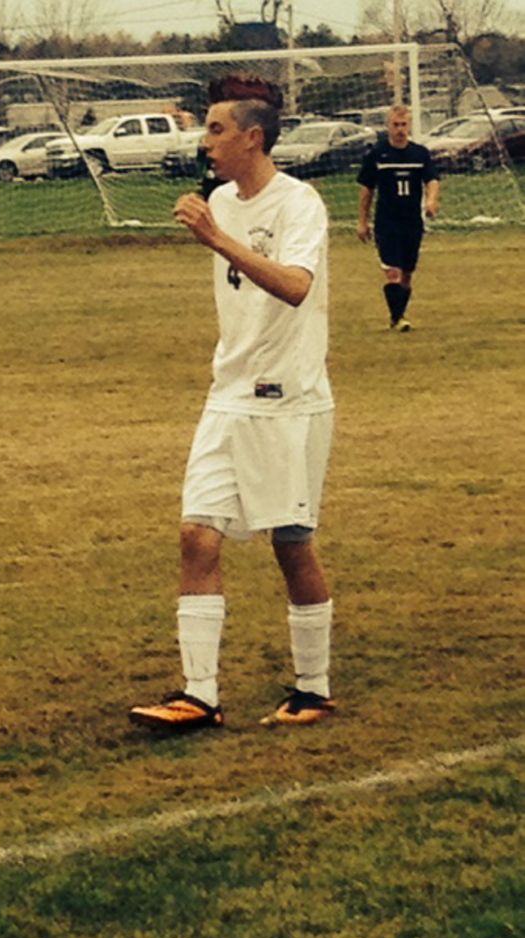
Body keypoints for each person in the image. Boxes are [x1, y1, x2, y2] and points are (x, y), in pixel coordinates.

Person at [129, 74, 336, 733]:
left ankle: (313, 688)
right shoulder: (220, 197)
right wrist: (216, 226)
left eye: (216, 130)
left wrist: (216, 238)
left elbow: (296, 286)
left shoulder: (298, 205)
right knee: (195, 534)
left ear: (253, 137)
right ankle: (199, 694)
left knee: (290, 543)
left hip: (289, 400)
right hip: (228, 394)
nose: (205, 141)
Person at [357, 105, 440, 332]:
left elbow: (432, 179)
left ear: (409, 126)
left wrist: (432, 200)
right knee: (392, 272)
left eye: (403, 125)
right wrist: (363, 221)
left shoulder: (420, 153)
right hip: (387, 222)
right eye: (395, 125)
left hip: (412, 222)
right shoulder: (377, 154)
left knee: (406, 275)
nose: (400, 130)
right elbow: (366, 189)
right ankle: (399, 318)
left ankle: (397, 316)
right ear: (388, 126)